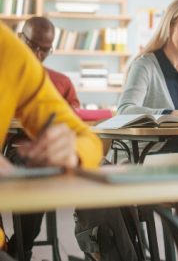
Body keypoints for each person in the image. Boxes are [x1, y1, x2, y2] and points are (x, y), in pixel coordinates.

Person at [0, 22, 102, 260]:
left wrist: (72, 151)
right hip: (14, 147)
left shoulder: (11, 55)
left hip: (28, 152)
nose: (38, 55)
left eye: (44, 50)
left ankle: (22, 248)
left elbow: (85, 137)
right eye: (33, 46)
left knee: (37, 172)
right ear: (22, 37)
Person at [117, 0, 178, 154]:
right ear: (170, 26)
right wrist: (174, 115)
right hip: (147, 155)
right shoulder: (145, 65)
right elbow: (124, 111)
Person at [20, 16, 80, 108]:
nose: (38, 55)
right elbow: (76, 114)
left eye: (44, 50)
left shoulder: (63, 83)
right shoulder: (63, 82)